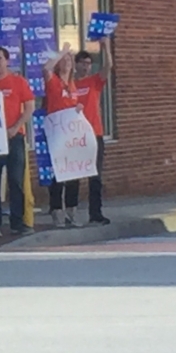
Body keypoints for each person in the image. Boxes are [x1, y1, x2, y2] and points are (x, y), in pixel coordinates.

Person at [0, 46, 35, 236]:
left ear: (7, 61)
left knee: (16, 181)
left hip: (14, 137)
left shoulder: (18, 82)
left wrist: (15, 127)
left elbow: (29, 107)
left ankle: (17, 223)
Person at [44, 42, 84, 227]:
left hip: (72, 135)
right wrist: (62, 52)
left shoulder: (72, 85)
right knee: (59, 173)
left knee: (74, 173)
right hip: (57, 134)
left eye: (69, 59)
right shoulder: (53, 81)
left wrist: (78, 109)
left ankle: (71, 210)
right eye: (64, 60)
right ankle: (56, 210)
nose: (67, 62)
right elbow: (46, 68)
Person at [75, 38, 113, 225]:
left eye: (89, 64)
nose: (86, 67)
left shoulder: (93, 82)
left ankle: (95, 213)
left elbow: (108, 67)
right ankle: (70, 213)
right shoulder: (70, 85)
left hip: (94, 134)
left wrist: (105, 46)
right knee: (72, 175)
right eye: (82, 63)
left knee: (95, 176)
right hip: (75, 135)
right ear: (76, 65)